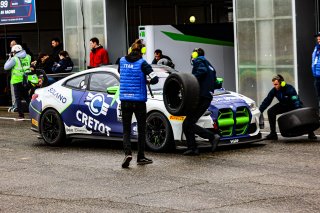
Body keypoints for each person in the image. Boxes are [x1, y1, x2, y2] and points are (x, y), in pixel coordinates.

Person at [119, 39, 159, 168]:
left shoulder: (121, 61)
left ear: (130, 50)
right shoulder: (143, 63)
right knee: (142, 130)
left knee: (126, 130)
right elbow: (155, 79)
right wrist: (147, 82)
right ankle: (140, 157)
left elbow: (121, 72)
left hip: (125, 100)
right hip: (139, 101)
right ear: (142, 51)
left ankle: (128, 153)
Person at [182, 48, 220, 156]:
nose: (191, 56)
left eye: (192, 54)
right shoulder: (210, 65)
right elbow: (216, 82)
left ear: (195, 54)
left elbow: (201, 71)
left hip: (201, 97)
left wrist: (190, 80)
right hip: (207, 97)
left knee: (188, 123)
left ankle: (212, 137)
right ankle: (193, 148)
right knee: (188, 123)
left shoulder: (199, 61)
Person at [259, 74, 317, 140]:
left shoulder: (290, 88)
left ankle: (310, 133)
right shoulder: (274, 90)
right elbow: (267, 100)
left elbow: (295, 100)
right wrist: (260, 110)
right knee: (270, 111)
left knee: (303, 114)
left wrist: (298, 111)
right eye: (274, 84)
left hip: (293, 105)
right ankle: (273, 134)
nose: (275, 86)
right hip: (283, 105)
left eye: (276, 84)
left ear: (282, 83)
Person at [4, 44, 32, 120]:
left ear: (15, 51)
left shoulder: (15, 59)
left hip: (17, 80)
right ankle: (33, 113)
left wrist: (10, 58)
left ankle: (21, 115)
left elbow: (6, 67)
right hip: (26, 79)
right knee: (27, 97)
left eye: (13, 52)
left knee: (18, 98)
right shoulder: (28, 57)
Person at [311, 32, 320, 115]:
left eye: (319, 38)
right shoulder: (316, 48)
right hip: (317, 76)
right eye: (317, 38)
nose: (318, 39)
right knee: (319, 96)